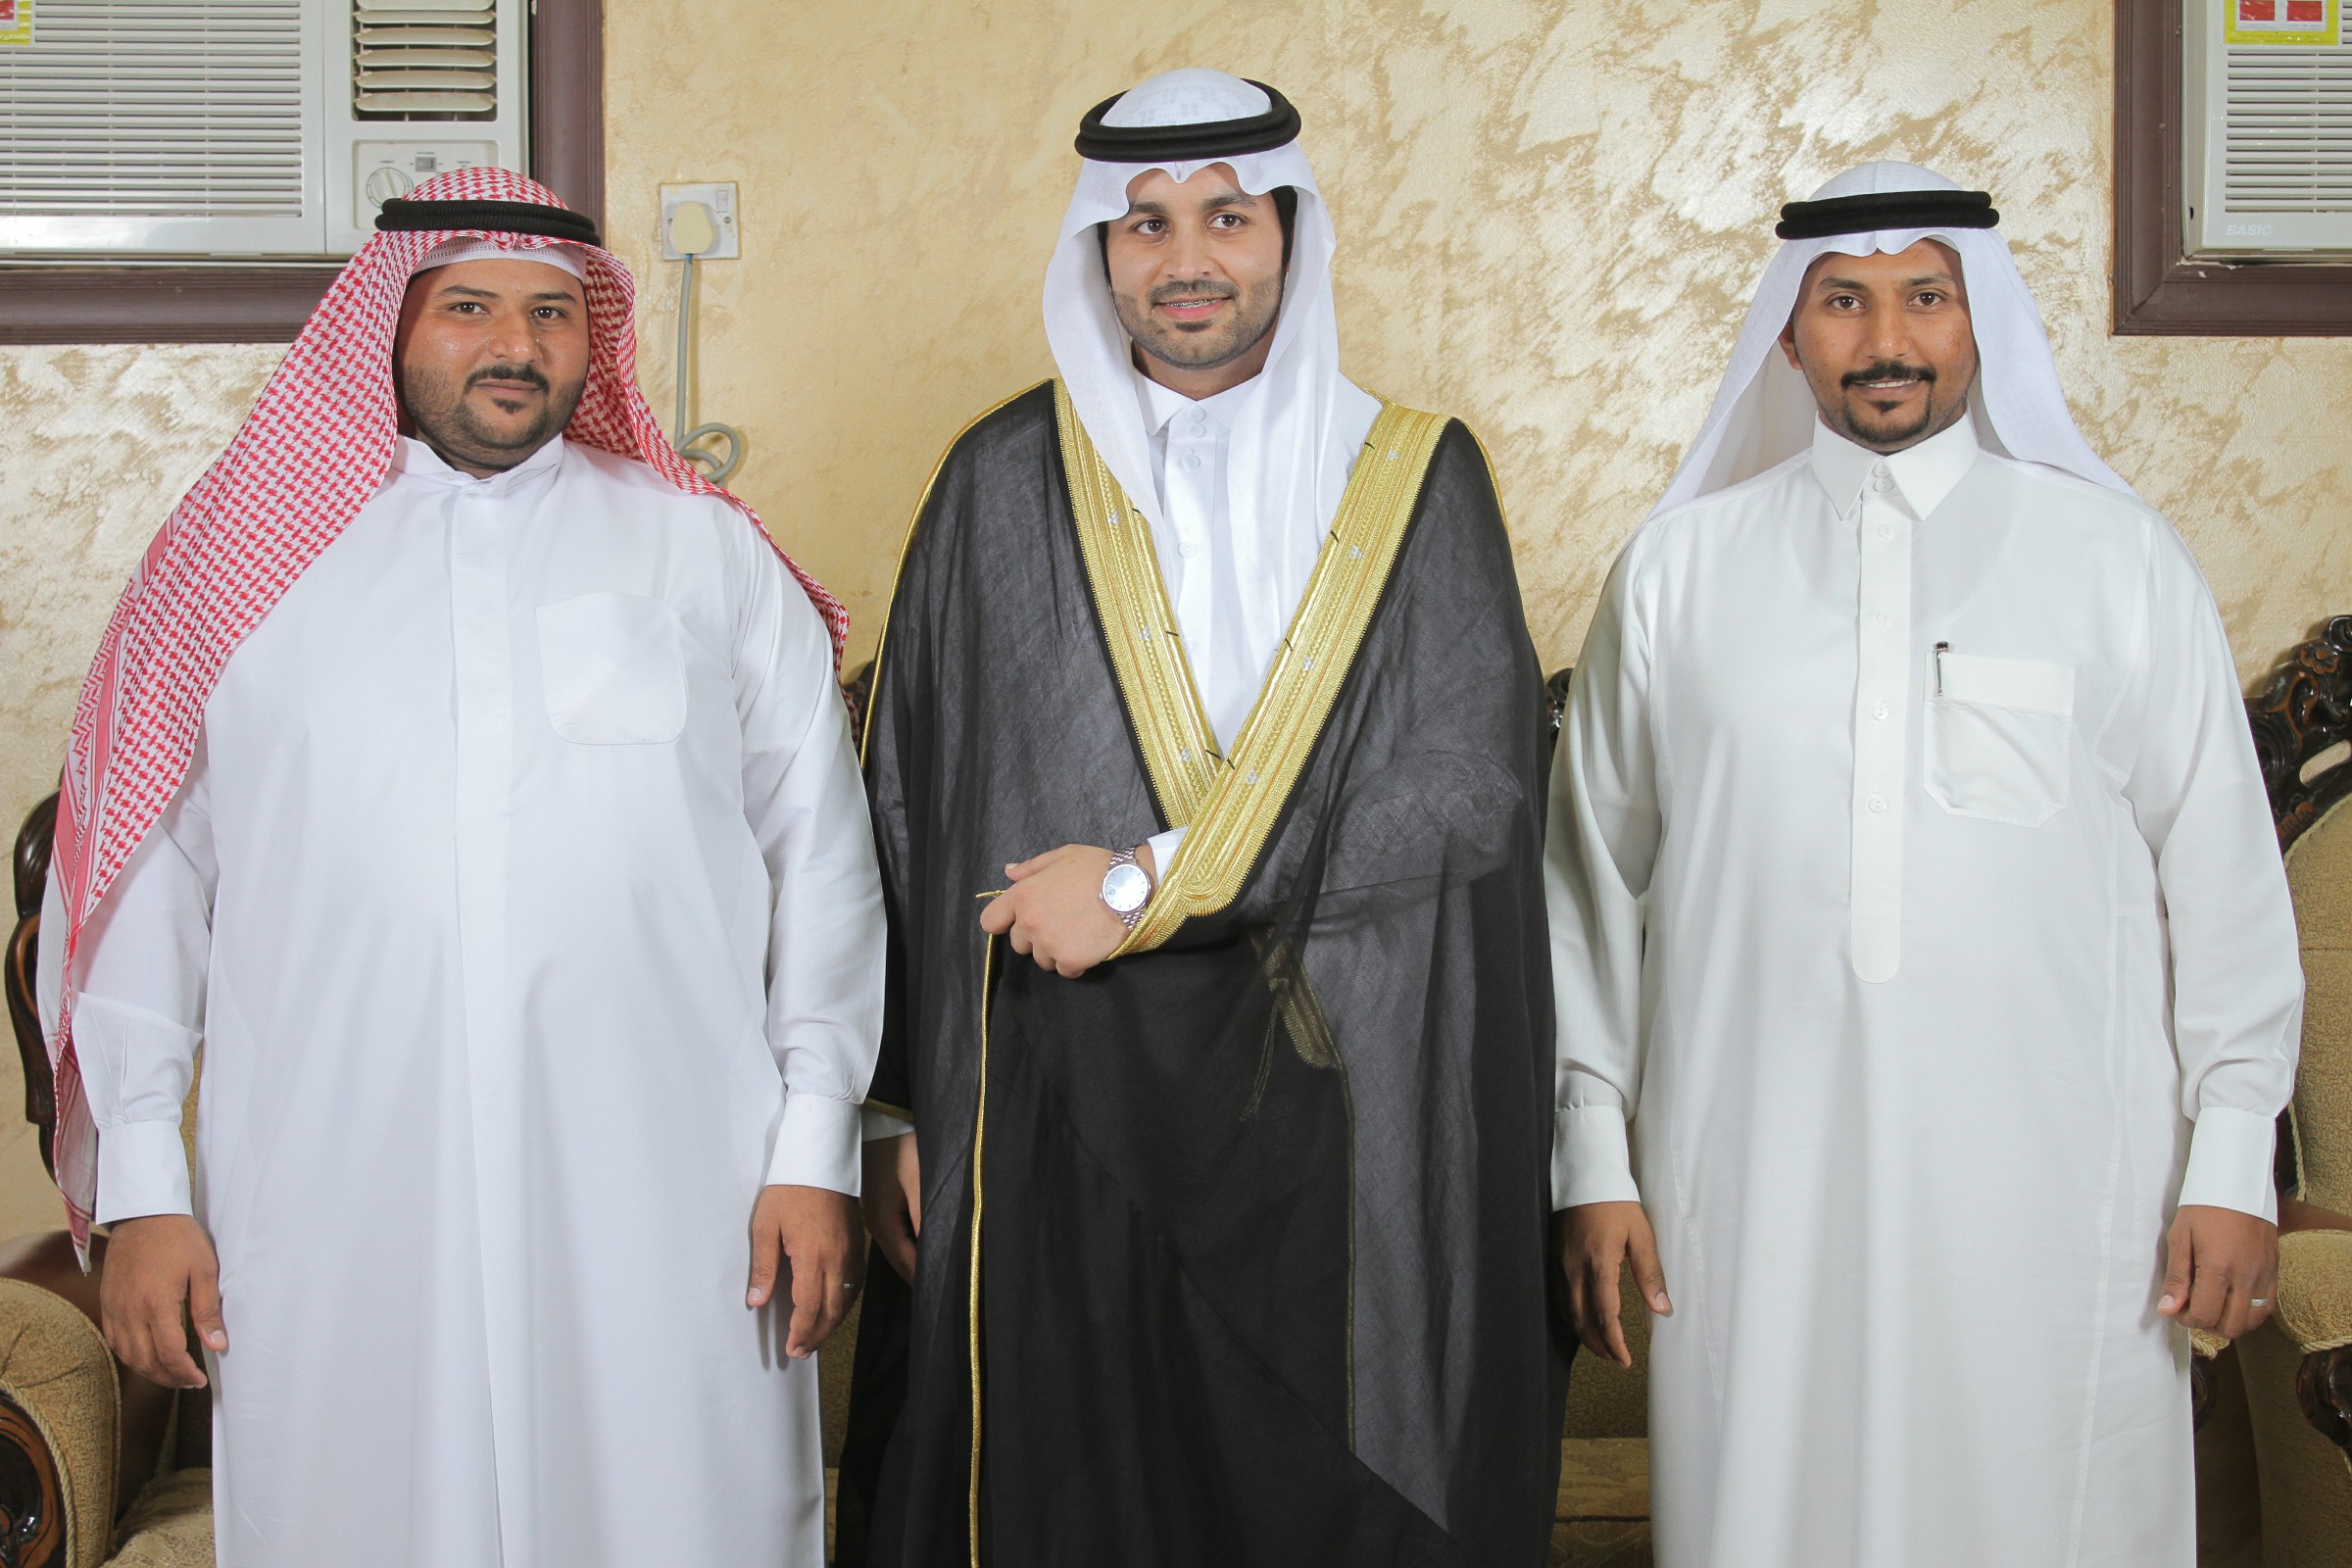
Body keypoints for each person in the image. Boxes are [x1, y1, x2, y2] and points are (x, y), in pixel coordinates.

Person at [35, 169, 885, 1567]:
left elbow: (824, 861)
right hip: (336, 1180)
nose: (515, 346)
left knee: (678, 1511)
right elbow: (149, 887)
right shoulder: (234, 571)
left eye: (553, 313)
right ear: (388, 322)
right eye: (469, 307)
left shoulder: (703, 551)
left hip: (669, 1178)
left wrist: (815, 1147)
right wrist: (143, 1185)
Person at [848, 68, 1561, 1568]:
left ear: (1291, 233)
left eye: (1228, 217)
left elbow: (1464, 791)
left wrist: (1143, 883)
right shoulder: (996, 479)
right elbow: (910, 795)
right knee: (1078, 1502)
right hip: (1057, 1103)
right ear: (1098, 250)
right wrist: (906, 1109)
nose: (1187, 259)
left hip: (1334, 1092)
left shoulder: (1413, 477)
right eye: (1146, 223)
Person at [1548, 162, 2304, 1568]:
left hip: (2065, 1195)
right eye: (1842, 300)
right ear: (1788, 334)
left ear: (1981, 321)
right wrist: (1594, 1154)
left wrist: (2233, 1161)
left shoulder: (2120, 562)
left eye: (1925, 297)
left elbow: (2224, 887)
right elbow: (1589, 887)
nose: (1885, 338)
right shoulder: (1676, 574)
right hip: (1750, 1187)